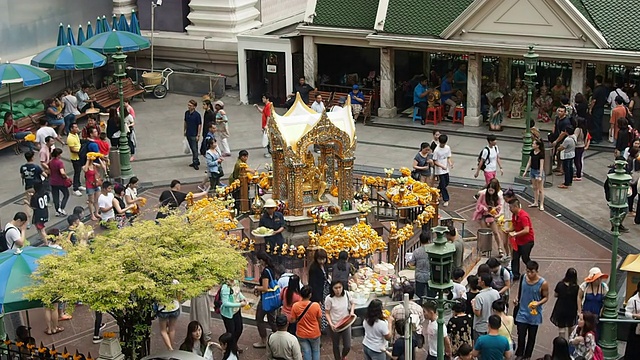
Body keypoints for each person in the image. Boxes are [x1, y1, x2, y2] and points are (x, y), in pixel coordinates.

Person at [514, 260, 549, 360]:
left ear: (537, 271)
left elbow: (546, 297)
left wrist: (538, 303)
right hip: (522, 312)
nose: (529, 274)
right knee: (521, 334)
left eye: (532, 272)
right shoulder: (523, 278)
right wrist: (517, 298)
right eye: (527, 271)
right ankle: (520, 353)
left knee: (531, 337)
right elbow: (520, 291)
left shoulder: (543, 283)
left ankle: (527, 355)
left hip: (534, 314)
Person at [253, 251, 280, 349]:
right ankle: (278, 339)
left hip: (266, 299)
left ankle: (263, 340)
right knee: (272, 320)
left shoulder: (265, 272)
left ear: (262, 261)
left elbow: (264, 287)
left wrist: (256, 288)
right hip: (273, 299)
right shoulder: (271, 269)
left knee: (259, 319)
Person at [505, 198, 535, 280]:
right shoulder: (514, 215)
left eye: (511, 207)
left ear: (515, 207)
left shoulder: (523, 216)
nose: (510, 209)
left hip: (527, 241)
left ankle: (533, 270)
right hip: (518, 241)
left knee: (525, 258)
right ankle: (515, 274)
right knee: (515, 257)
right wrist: (509, 230)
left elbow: (526, 230)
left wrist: (515, 234)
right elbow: (515, 227)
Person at [289, 285, 322, 360]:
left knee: (306, 351)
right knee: (316, 350)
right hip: (314, 332)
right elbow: (319, 319)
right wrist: (320, 328)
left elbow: (293, 320)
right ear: (310, 295)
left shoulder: (295, 306)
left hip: (301, 333)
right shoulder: (316, 305)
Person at [473, 180, 504, 257]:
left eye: (492, 190)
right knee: (484, 233)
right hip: (483, 215)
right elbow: (478, 204)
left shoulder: (497, 197)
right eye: (489, 189)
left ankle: (500, 248)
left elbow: (500, 206)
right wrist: (484, 208)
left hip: (492, 216)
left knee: (496, 232)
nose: (490, 191)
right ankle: (484, 249)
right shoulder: (483, 195)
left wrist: (495, 209)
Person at [325, 280, 354, 360]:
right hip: (335, 325)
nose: (338, 290)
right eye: (336, 288)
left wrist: (351, 312)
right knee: (336, 345)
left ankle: (343, 356)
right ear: (332, 288)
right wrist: (331, 324)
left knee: (347, 345)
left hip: (346, 323)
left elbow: (353, 303)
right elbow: (327, 312)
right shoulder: (329, 299)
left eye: (339, 287)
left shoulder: (347, 294)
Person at [550, 268, 579, 339]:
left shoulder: (560, 285)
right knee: (571, 327)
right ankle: (570, 343)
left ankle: (562, 343)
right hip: (572, 309)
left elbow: (555, 295)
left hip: (561, 308)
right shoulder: (576, 287)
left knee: (561, 328)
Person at [577, 267, 609, 332]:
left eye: (600, 278)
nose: (600, 280)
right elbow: (579, 297)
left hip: (597, 313)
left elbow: (606, 299)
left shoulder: (604, 287)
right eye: (597, 278)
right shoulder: (585, 286)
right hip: (586, 313)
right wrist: (580, 312)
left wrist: (602, 310)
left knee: (596, 331)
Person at [471, 273, 501, 340]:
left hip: (480, 327)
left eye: (479, 279)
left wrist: (473, 304)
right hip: (492, 325)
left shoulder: (479, 297)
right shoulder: (496, 293)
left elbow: (478, 313)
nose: (478, 280)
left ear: (482, 282)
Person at [220, 279, 247, 352]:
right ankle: (230, 348)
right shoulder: (225, 287)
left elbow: (238, 293)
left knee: (239, 329)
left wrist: (243, 298)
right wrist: (239, 304)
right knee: (231, 332)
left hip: (236, 311)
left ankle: (233, 345)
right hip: (228, 314)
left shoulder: (236, 282)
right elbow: (225, 303)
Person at [19, 150, 43, 224]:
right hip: (37, 186)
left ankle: (28, 221)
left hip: (28, 186)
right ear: (32, 157)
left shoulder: (23, 167)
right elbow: (44, 174)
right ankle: (38, 218)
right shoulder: (36, 167)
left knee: (27, 202)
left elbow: (22, 176)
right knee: (38, 202)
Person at [308, 248, 329, 331]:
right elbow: (313, 284)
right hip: (318, 292)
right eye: (320, 259)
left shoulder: (324, 266)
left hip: (324, 289)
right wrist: (317, 298)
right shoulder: (314, 269)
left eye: (323, 259)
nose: (322, 261)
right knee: (320, 311)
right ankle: (320, 327)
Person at [523, 139, 546, 211]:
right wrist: (525, 171)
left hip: (538, 171)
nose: (532, 145)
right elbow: (529, 162)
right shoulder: (532, 152)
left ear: (537, 145)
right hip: (532, 171)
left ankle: (541, 204)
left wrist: (540, 175)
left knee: (540, 189)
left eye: (533, 144)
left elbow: (541, 165)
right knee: (535, 187)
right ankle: (535, 202)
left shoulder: (541, 154)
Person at [408, 232, 430, 301]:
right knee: (430, 296)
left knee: (419, 296)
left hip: (419, 276)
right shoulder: (432, 251)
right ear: (429, 240)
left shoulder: (416, 251)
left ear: (420, 240)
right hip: (430, 276)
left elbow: (412, 263)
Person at [48, 148, 70, 217]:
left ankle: (57, 210)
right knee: (66, 194)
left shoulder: (50, 162)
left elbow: (48, 171)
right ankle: (62, 209)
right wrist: (67, 177)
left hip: (52, 181)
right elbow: (62, 172)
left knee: (55, 197)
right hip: (60, 182)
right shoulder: (59, 162)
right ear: (58, 155)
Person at [434, 134, 454, 207]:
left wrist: (450, 163)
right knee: (443, 184)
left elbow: (448, 157)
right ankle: (446, 199)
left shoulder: (447, 148)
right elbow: (435, 161)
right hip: (439, 169)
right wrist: (441, 166)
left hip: (446, 168)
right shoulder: (436, 150)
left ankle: (437, 191)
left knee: (446, 182)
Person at [82, 154, 103, 221]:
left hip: (96, 184)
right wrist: (88, 160)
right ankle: (92, 215)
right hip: (90, 185)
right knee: (91, 201)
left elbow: (103, 166)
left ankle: (96, 212)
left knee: (97, 200)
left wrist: (99, 158)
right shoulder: (85, 166)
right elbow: (85, 170)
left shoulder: (94, 165)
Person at [184, 99, 202, 170]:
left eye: (190, 105)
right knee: (192, 147)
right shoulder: (186, 113)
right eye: (188, 105)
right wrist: (184, 130)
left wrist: (198, 134)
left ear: (194, 107)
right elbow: (185, 121)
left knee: (195, 149)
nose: (188, 107)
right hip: (188, 132)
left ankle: (195, 162)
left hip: (194, 134)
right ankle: (196, 160)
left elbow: (199, 125)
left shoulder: (197, 115)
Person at [66, 123, 83, 196]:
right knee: (77, 172)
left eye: (77, 127)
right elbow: (72, 150)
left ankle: (79, 185)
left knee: (79, 172)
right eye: (75, 127)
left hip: (79, 157)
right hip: (75, 158)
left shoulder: (76, 135)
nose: (77, 128)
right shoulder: (70, 138)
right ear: (71, 129)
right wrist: (81, 151)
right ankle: (75, 188)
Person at [589, 76, 607, 143]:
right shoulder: (604, 89)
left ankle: (596, 139)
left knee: (595, 123)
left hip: (596, 108)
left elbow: (594, 100)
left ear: (596, 81)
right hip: (601, 108)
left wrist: (590, 108)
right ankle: (599, 137)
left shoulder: (596, 90)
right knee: (599, 123)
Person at [624, 281, 640, 357]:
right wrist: (635, 315)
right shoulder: (633, 300)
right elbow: (627, 313)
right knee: (634, 347)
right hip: (635, 327)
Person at [255, 93, 273, 157]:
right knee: (267, 139)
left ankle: (270, 152)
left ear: (267, 99)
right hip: (264, 124)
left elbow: (268, 116)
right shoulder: (266, 106)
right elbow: (263, 112)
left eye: (264, 98)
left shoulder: (268, 106)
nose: (263, 99)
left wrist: (266, 125)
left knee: (268, 139)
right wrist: (257, 107)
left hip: (266, 125)